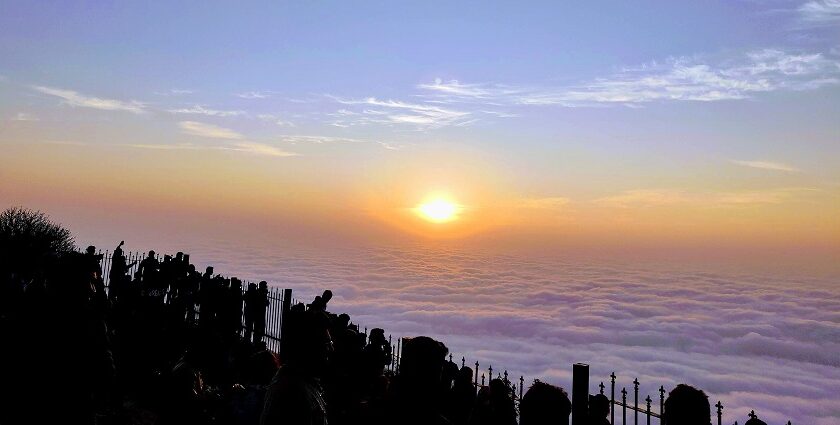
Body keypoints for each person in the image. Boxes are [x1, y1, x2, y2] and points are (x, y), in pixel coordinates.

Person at [261, 309, 333, 425]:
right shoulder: (293, 392)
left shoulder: (302, 383)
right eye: (326, 344)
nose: (330, 349)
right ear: (308, 346)